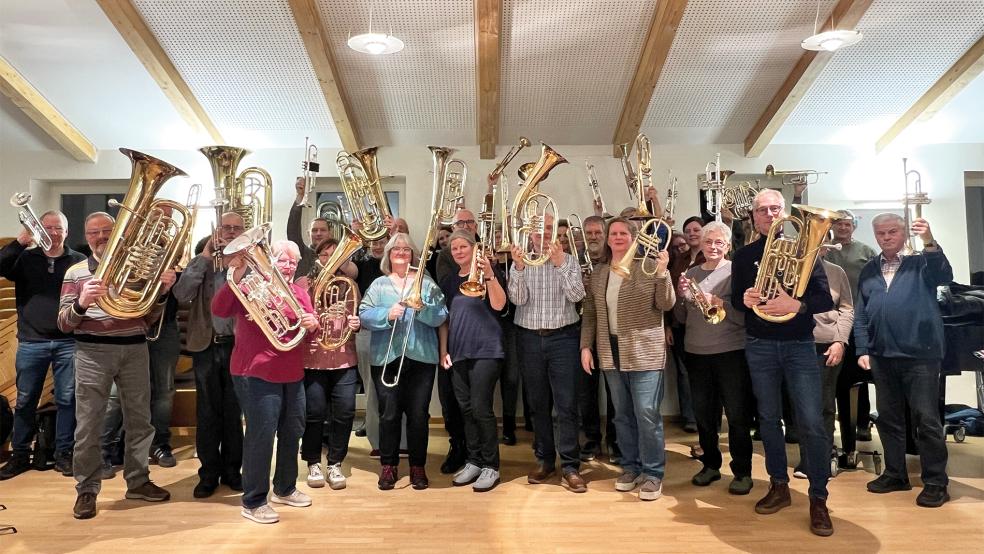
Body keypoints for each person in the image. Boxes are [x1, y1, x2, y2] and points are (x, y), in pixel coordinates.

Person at [731, 189, 835, 537]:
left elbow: (822, 297)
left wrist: (797, 305)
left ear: (784, 212)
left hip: (799, 345)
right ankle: (778, 485)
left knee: (810, 422)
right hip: (759, 344)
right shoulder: (744, 256)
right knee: (768, 421)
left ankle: (818, 497)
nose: (770, 215)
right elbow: (736, 300)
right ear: (754, 216)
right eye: (763, 210)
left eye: (776, 208)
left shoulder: (807, 250)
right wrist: (745, 299)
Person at [58, 212, 175, 520]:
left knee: (141, 420)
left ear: (118, 232)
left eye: (107, 230)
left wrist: (161, 293)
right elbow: (63, 323)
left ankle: (138, 481)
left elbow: (148, 318)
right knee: (88, 425)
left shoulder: (136, 270)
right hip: (92, 352)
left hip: (135, 349)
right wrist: (81, 302)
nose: (101, 236)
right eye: (94, 232)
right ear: (86, 236)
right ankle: (86, 489)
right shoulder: (75, 272)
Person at [213, 240, 320, 524]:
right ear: (270, 261)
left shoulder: (299, 292)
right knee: (261, 436)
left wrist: (312, 324)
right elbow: (220, 309)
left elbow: (308, 335)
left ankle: (284, 487)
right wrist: (235, 276)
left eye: (292, 262)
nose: (288, 266)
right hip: (255, 372)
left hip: (292, 372)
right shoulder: (249, 287)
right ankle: (254, 500)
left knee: (292, 429)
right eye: (282, 260)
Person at [855, 213, 952, 508]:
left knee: (927, 420)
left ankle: (936, 481)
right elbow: (861, 313)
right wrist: (862, 349)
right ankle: (896, 474)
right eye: (881, 233)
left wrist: (929, 241)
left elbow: (944, 275)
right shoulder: (869, 269)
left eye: (893, 231)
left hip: (920, 355)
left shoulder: (921, 261)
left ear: (903, 233)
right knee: (889, 420)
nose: (886, 237)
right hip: (883, 356)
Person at [580, 217, 675, 501]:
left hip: (644, 350)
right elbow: (592, 313)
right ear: (608, 239)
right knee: (622, 414)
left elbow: (666, 304)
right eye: (614, 233)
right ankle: (631, 467)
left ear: (633, 238)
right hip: (610, 350)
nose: (618, 237)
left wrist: (662, 272)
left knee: (646, 414)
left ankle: (653, 474)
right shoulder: (598, 273)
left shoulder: (646, 267)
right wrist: (586, 346)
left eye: (623, 233)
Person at [0, 210, 85, 480]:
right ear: (39, 230)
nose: (53, 232)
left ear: (66, 231)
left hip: (68, 342)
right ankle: (21, 455)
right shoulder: (26, 258)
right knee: (24, 402)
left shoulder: (78, 260)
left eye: (58, 228)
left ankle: (63, 454)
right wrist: (19, 243)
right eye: (47, 227)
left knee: (67, 400)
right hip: (31, 342)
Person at [359, 232, 448, 490]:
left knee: (419, 415)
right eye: (396, 249)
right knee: (389, 414)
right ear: (388, 255)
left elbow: (441, 316)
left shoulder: (427, 283)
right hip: (386, 357)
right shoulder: (378, 285)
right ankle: (389, 466)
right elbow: (364, 315)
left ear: (413, 255)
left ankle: (418, 467)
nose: (401, 252)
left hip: (421, 356)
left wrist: (423, 310)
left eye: (406, 249)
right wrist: (387, 313)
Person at [508, 214, 587, 493]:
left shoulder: (569, 260)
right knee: (537, 404)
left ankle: (570, 466)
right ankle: (544, 460)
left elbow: (577, 296)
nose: (543, 235)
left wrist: (560, 264)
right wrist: (517, 268)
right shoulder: (521, 262)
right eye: (538, 230)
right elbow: (517, 300)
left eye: (549, 229)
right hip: (528, 337)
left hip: (563, 337)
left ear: (557, 234)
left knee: (566, 404)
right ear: (530, 234)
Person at [675, 221, 754, 495]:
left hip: (731, 352)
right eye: (709, 242)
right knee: (704, 415)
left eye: (719, 242)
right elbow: (681, 319)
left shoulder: (736, 272)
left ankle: (742, 471)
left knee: (736, 415)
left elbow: (746, 317)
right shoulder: (691, 273)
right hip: (696, 352)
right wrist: (682, 297)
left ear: (728, 246)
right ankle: (710, 465)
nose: (713, 247)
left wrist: (720, 303)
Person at [171, 212, 247, 498]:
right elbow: (182, 293)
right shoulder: (203, 260)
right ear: (217, 230)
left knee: (233, 412)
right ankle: (208, 474)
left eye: (236, 228)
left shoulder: (250, 262)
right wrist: (204, 255)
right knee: (207, 414)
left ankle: (232, 471)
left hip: (238, 346)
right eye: (225, 227)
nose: (230, 232)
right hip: (206, 345)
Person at [438, 231, 507, 492]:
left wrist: (488, 274)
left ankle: (491, 465)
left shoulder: (488, 272)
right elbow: (444, 321)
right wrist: (444, 350)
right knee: (465, 409)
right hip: (457, 352)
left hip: (487, 351)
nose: (458, 251)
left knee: (481, 408)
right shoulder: (447, 281)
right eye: (454, 248)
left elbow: (500, 305)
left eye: (463, 246)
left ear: (473, 248)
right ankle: (474, 460)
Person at [302, 239, 361, 491]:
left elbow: (355, 317)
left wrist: (357, 323)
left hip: (343, 357)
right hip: (313, 359)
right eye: (325, 255)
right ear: (318, 257)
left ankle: (335, 462)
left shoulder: (349, 286)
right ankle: (313, 462)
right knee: (314, 413)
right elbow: (294, 319)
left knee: (345, 412)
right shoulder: (303, 284)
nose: (329, 259)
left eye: (335, 255)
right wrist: (310, 320)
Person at [792, 253, 853, 479]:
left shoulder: (836, 271)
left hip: (827, 343)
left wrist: (840, 341)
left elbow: (847, 309)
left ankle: (822, 459)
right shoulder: (790, 268)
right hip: (795, 341)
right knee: (801, 405)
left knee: (825, 404)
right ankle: (807, 459)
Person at [826, 210, 878, 456]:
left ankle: (863, 423)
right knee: (841, 376)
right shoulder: (825, 249)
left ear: (853, 227)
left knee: (860, 373)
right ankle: (842, 424)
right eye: (839, 223)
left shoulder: (866, 251)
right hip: (830, 320)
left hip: (859, 317)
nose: (843, 227)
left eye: (847, 224)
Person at [577, 215, 617, 461]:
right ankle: (592, 440)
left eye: (597, 233)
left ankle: (615, 440)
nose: (593, 237)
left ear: (605, 235)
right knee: (585, 391)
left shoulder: (614, 261)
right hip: (581, 330)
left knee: (615, 391)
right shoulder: (573, 260)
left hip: (609, 330)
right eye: (588, 233)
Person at [667, 216, 703, 434]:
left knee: (703, 374)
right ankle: (689, 416)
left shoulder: (711, 257)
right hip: (680, 323)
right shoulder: (679, 260)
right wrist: (668, 325)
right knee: (683, 372)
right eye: (687, 230)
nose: (691, 233)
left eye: (696, 229)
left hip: (703, 325)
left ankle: (704, 417)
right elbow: (669, 293)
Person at [288, 177, 333, 280]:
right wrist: (300, 196)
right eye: (314, 230)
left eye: (323, 230)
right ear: (308, 234)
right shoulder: (301, 252)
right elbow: (292, 230)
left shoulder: (336, 255)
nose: (318, 233)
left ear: (329, 233)